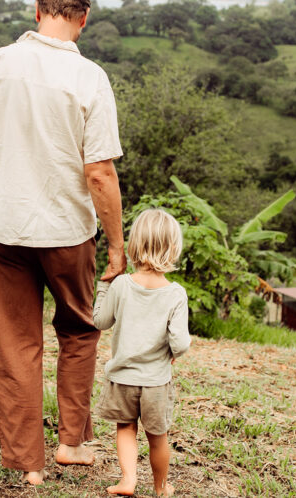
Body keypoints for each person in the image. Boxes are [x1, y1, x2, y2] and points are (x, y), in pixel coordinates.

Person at [0, 0, 126, 485]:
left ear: (37, 11)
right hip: (67, 230)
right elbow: (100, 171)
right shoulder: (90, 78)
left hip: (5, 227)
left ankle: (26, 465)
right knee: (79, 331)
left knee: (15, 343)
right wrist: (118, 247)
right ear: (83, 20)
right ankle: (72, 445)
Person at [92, 209, 190, 497]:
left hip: (122, 378)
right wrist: (174, 351)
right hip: (156, 382)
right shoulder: (175, 294)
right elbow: (181, 343)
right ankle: (161, 487)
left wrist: (103, 286)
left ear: (134, 246)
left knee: (125, 428)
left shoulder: (121, 285)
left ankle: (128, 480)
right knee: (158, 437)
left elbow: (100, 321)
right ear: (173, 249)